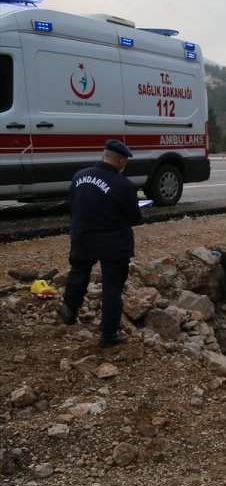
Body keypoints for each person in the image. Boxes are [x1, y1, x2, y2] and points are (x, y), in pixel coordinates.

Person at [59, 139, 142, 348]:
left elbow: (72, 204)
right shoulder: (125, 185)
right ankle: (109, 333)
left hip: (83, 236)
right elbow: (134, 218)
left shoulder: (79, 176)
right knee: (112, 287)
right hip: (113, 243)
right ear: (122, 160)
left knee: (79, 271)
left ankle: (69, 308)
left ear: (103, 155)